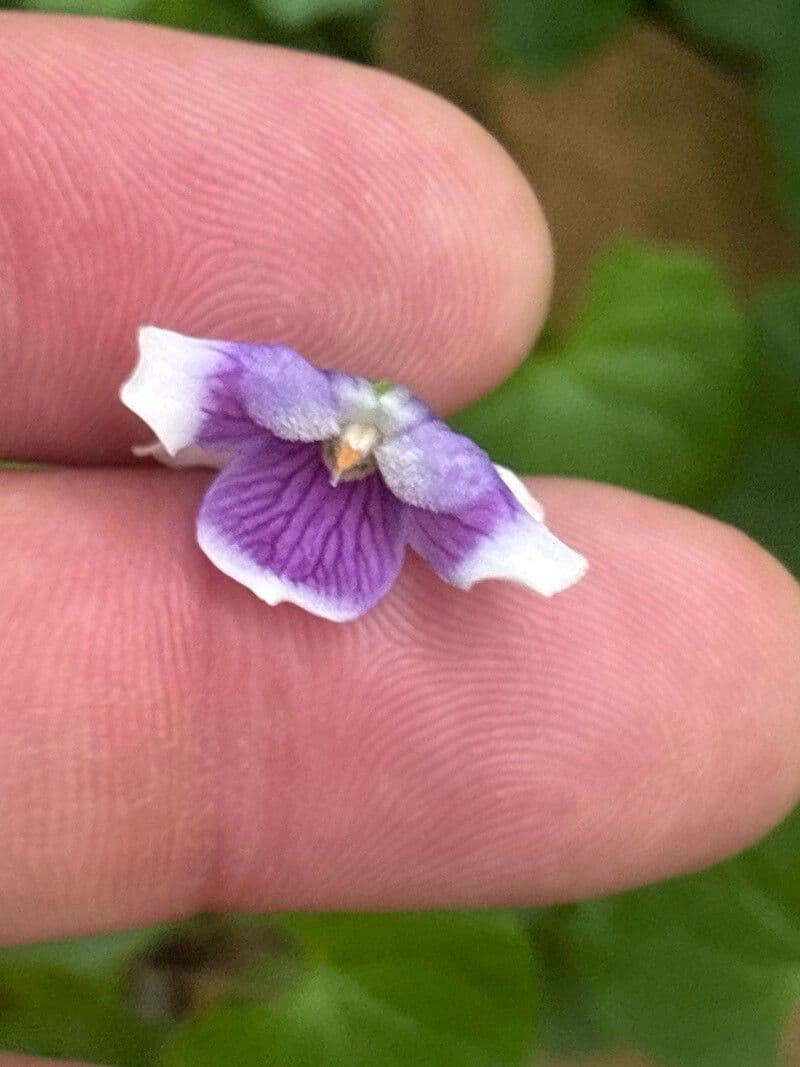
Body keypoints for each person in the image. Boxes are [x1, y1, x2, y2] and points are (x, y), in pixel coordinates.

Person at [1, 8, 799, 983]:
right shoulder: (304, 412)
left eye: (356, 451)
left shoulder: (394, 455)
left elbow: (485, 520)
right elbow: (192, 387)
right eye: (344, 447)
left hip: (364, 446)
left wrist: (437, 490)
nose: (344, 458)